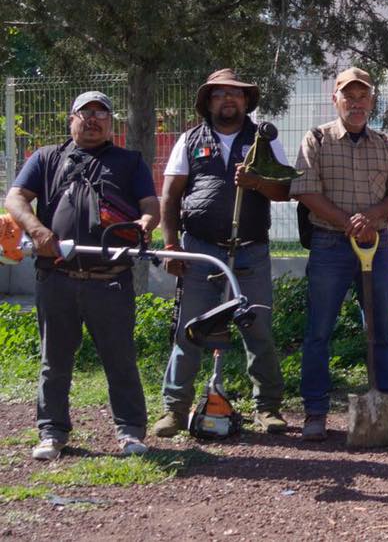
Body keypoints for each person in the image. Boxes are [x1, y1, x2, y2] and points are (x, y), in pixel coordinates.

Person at [5, 92, 160, 461]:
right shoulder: (45, 158)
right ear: (70, 120)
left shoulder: (130, 162)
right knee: (54, 361)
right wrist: (38, 232)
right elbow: (15, 199)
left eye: (101, 114)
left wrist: (146, 222)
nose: (92, 120)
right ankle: (51, 432)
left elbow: (150, 205)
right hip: (56, 277)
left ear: (111, 123)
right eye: (84, 113)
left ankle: (130, 431)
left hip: (111, 280)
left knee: (120, 359)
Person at [154, 69, 293, 438]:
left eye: (236, 94)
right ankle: (174, 409)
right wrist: (171, 245)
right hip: (200, 252)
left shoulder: (263, 139)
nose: (228, 100)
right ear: (208, 102)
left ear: (246, 102)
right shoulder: (189, 139)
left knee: (258, 329)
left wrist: (257, 182)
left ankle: (267, 408)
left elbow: (284, 192)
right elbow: (170, 195)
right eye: (219, 94)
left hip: (251, 252)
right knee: (190, 330)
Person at [290, 67, 388, 442]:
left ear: (372, 101)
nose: (356, 103)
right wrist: (348, 222)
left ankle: (384, 404)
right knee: (319, 330)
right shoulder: (317, 139)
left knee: (380, 327)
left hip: (377, 242)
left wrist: (371, 218)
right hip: (329, 245)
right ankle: (315, 411)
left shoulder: (384, 143)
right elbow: (306, 191)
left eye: (363, 97)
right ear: (336, 99)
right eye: (349, 96)